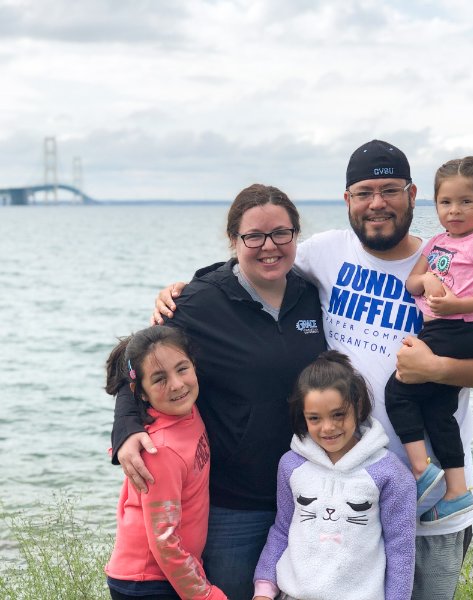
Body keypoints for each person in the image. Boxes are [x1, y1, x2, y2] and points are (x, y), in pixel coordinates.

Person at [150, 140, 473, 599]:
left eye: (390, 190)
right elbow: (259, 262)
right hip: (339, 498)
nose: (377, 203)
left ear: (412, 195)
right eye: (364, 191)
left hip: (431, 500)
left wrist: (438, 368)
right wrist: (186, 289)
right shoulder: (325, 252)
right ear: (347, 200)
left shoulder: (452, 260)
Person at [111, 185, 327, 600]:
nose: (269, 246)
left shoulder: (313, 294)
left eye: (282, 233)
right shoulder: (199, 302)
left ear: (296, 235)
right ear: (234, 240)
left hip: (308, 495)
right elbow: (136, 364)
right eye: (254, 236)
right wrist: (126, 429)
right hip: (233, 505)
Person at [385, 156, 473, 525]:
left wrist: (458, 304)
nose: (454, 211)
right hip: (442, 332)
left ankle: (421, 471)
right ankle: (457, 491)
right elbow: (411, 282)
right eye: (446, 202)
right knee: (440, 413)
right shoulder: (437, 243)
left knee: (398, 391)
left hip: (457, 332)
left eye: (466, 202)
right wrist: (424, 282)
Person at [252, 350, 416, 600]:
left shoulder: (390, 473)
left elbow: (401, 550)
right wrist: (264, 589)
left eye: (338, 414)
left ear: (358, 406)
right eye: (314, 418)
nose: (328, 427)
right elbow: (282, 529)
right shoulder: (290, 465)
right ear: (303, 417)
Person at [104, 326, 227, 600]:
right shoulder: (160, 450)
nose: (176, 385)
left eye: (182, 369)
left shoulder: (188, 409)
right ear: (141, 392)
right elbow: (164, 541)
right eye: (159, 379)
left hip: (168, 573)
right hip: (147, 582)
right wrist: (204, 594)